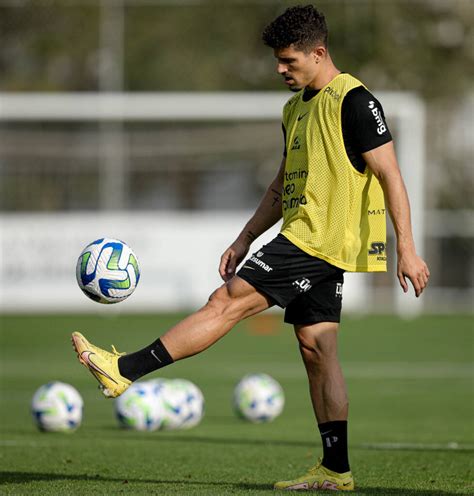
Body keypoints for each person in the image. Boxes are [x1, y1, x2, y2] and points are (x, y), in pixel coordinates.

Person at [72, 4, 430, 491]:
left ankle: (123, 370)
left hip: (317, 240)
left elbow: (390, 174)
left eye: (289, 61)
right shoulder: (294, 109)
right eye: (278, 62)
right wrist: (245, 238)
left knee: (226, 302)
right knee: (317, 349)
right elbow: (283, 184)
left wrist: (407, 248)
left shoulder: (354, 100)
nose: (281, 70)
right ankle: (335, 470)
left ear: (318, 52)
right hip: (307, 237)